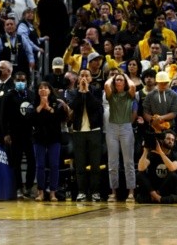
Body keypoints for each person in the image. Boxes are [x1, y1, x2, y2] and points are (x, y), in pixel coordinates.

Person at [69, 69, 104, 201]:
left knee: (95, 164)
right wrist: (80, 92)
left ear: (91, 78)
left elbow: (96, 106)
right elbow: (73, 106)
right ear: (78, 78)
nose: (84, 77)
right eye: (81, 75)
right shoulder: (73, 92)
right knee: (80, 164)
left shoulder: (97, 91)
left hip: (94, 131)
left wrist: (87, 92)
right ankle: (81, 191)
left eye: (87, 75)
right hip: (78, 131)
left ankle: (95, 192)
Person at [1, 71, 36, 199]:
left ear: (26, 81)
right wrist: (6, 133)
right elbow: (3, 116)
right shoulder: (9, 96)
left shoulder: (31, 95)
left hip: (29, 134)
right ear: (14, 81)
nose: (21, 82)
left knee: (32, 161)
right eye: (18, 80)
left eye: (23, 80)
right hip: (15, 134)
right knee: (16, 162)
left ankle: (29, 187)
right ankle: (18, 188)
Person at [30, 81, 66, 202]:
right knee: (40, 165)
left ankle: (53, 193)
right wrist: (40, 107)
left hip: (54, 138)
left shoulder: (57, 103)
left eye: (45, 87)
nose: (43, 90)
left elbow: (60, 119)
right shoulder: (34, 103)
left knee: (54, 165)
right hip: (39, 138)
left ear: (50, 90)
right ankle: (40, 192)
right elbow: (31, 120)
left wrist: (49, 108)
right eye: (40, 88)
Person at [104, 72, 137, 202]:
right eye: (117, 80)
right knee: (112, 162)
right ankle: (113, 192)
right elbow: (106, 85)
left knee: (128, 162)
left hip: (126, 128)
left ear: (124, 83)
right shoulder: (111, 96)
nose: (118, 82)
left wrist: (125, 76)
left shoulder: (129, 95)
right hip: (111, 128)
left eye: (121, 80)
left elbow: (133, 87)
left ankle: (131, 191)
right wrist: (115, 76)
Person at [136, 130, 177, 203]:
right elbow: (141, 168)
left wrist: (160, 152)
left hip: (166, 189)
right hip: (154, 187)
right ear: (162, 140)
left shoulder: (176, 155)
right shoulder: (152, 154)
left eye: (172, 140)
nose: (170, 141)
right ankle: (158, 198)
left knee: (173, 174)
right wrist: (145, 150)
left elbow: (172, 168)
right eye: (168, 139)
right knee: (140, 174)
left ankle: (154, 198)